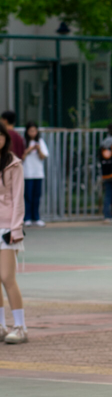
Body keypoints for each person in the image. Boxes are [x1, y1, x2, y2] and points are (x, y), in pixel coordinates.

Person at [0, 122, 28, 344]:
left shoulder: (13, 164)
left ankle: (20, 327)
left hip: (7, 227)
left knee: (7, 277)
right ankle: (1, 325)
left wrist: (15, 228)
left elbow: (18, 199)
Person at [21, 121, 48, 228]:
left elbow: (43, 156)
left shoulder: (40, 142)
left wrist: (38, 149)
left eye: (35, 131)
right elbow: (21, 157)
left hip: (38, 173)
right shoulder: (23, 142)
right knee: (28, 196)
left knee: (36, 196)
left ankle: (36, 218)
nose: (33, 133)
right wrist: (29, 150)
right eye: (31, 131)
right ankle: (27, 218)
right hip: (27, 173)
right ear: (27, 132)